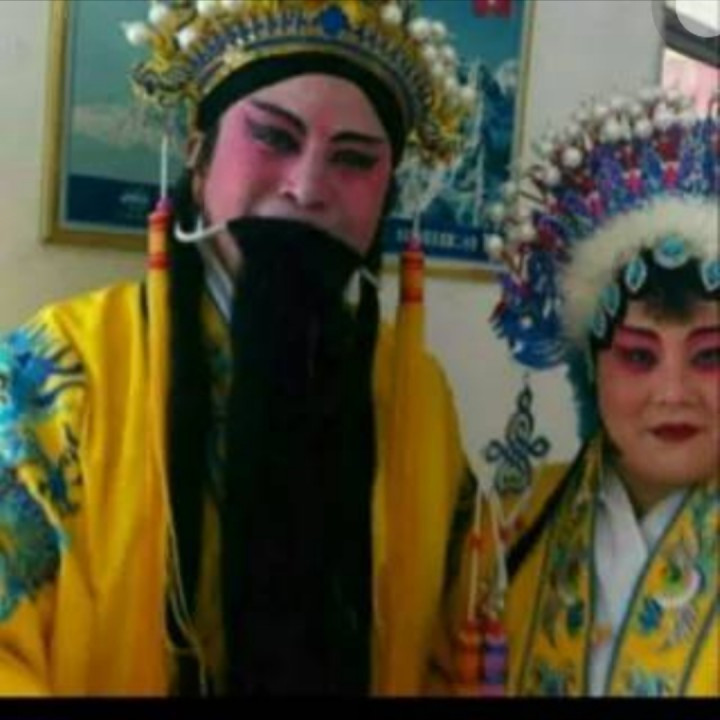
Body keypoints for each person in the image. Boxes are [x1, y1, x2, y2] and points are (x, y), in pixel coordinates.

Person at [0, 0, 479, 696]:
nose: (306, 188)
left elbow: (450, 652)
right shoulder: (59, 371)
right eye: (274, 137)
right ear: (198, 154)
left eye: (353, 159)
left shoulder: (417, 395)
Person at [429, 86, 719, 697]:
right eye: (638, 356)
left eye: (710, 356)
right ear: (591, 368)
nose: (673, 392)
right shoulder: (514, 524)